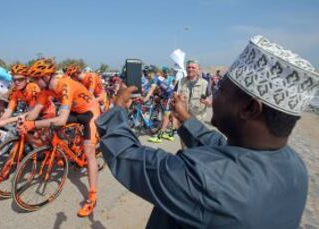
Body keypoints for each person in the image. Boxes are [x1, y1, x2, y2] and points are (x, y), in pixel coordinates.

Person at [95, 35, 317, 228]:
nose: (213, 96)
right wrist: (187, 119)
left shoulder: (205, 179)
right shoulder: (293, 165)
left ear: (249, 108)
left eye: (221, 90)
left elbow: (127, 156)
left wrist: (117, 110)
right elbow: (221, 147)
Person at [17, 59, 101, 217]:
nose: (34, 82)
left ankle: (92, 196)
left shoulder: (65, 84)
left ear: (46, 77)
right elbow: (35, 113)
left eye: (36, 79)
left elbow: (61, 119)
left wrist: (33, 125)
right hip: (75, 111)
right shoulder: (46, 89)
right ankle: (66, 151)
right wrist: (24, 119)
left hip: (90, 112)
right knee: (52, 128)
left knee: (89, 152)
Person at [144, 66, 176, 143]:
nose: (145, 75)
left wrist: (145, 99)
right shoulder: (158, 77)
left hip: (169, 97)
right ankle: (171, 135)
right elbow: (158, 87)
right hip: (168, 95)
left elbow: (151, 90)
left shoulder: (155, 78)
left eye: (146, 73)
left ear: (151, 73)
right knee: (171, 116)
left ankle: (159, 137)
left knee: (166, 117)